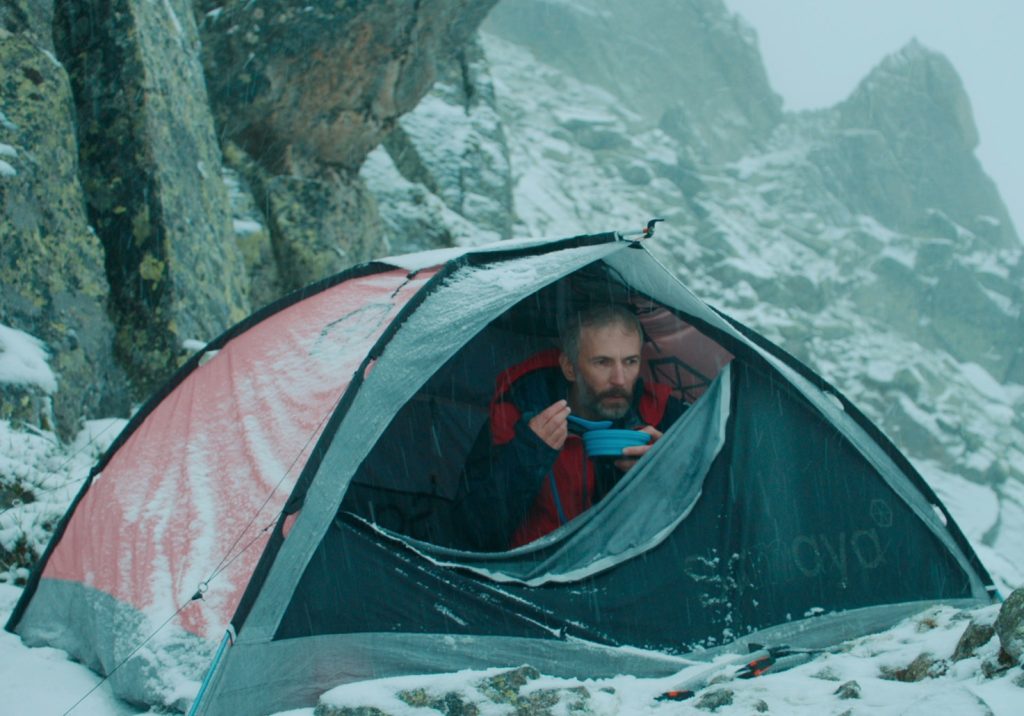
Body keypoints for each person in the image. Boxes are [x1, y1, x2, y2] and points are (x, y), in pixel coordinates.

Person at [455, 304, 687, 551]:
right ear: (569, 368)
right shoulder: (515, 414)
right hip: (529, 575)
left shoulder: (662, 416)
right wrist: (527, 453)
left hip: (621, 572)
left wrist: (666, 470)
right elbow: (472, 531)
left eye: (630, 362)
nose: (619, 379)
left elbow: (699, 520)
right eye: (602, 362)